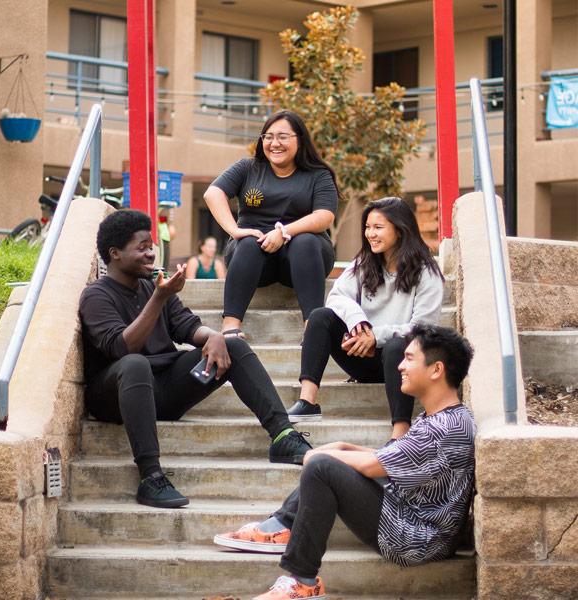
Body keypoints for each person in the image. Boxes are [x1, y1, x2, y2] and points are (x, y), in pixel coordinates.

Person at [214, 324, 476, 600]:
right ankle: (283, 526)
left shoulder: (444, 427)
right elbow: (398, 456)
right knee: (332, 460)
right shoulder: (448, 418)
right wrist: (345, 447)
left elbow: (375, 466)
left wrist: (316, 455)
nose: (400, 366)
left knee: (322, 467)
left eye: (409, 358)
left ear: (436, 370)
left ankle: (302, 579)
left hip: (417, 538)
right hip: (417, 522)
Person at [79, 210, 312, 509]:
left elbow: (187, 326)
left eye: (151, 246)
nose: (151, 253)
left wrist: (214, 337)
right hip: (116, 395)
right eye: (142, 248)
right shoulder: (97, 296)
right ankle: (151, 476)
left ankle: (282, 434)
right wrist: (159, 298)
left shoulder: (153, 285)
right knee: (135, 364)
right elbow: (123, 349)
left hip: (163, 390)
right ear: (115, 254)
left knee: (233, 346)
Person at [287, 197, 444, 444]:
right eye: (368, 227)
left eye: (378, 228)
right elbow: (337, 297)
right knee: (320, 317)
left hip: (403, 363)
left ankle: (400, 431)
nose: (370, 234)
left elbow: (424, 328)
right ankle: (307, 401)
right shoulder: (365, 262)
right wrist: (359, 325)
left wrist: (376, 336)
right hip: (363, 356)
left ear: (400, 230)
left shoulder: (427, 272)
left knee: (397, 345)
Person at [203, 109, 338, 338]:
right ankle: (230, 325)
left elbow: (324, 216)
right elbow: (212, 194)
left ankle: (313, 329)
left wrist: (284, 232)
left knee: (304, 241)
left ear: (300, 140)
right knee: (248, 242)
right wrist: (235, 231)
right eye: (268, 136)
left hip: (304, 261)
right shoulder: (248, 168)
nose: (275, 143)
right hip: (254, 260)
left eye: (283, 137)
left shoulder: (318, 175)